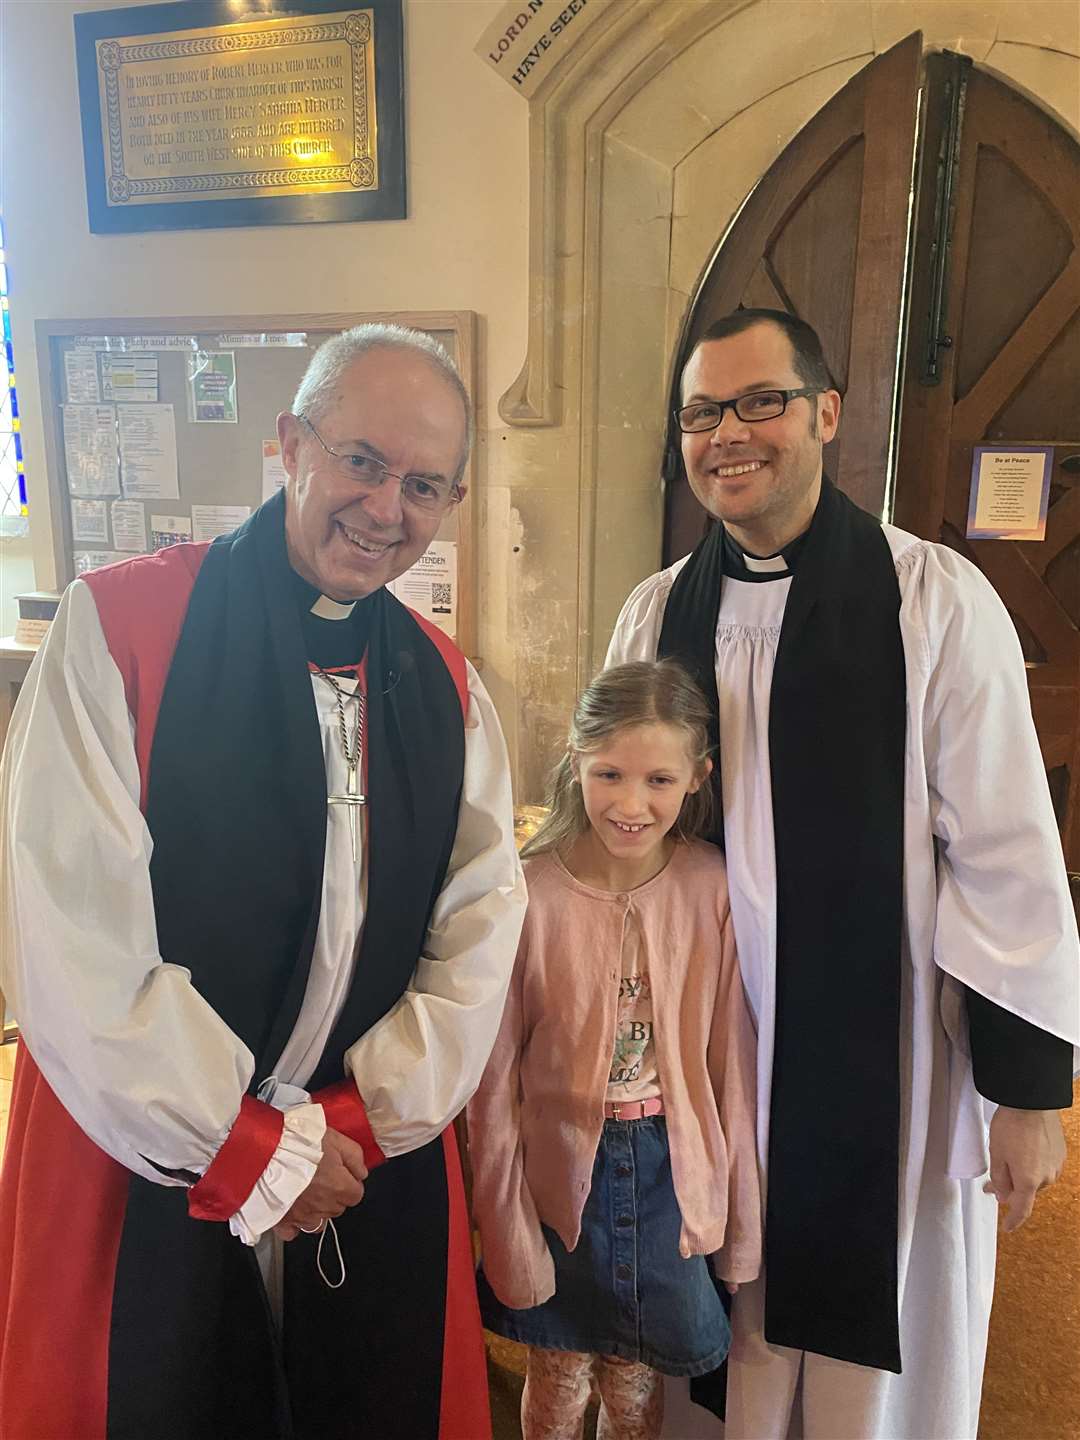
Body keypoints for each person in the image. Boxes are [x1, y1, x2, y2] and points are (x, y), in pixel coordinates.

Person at [0, 323, 527, 1440]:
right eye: (363, 462)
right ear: (290, 445)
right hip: (150, 1149)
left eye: (425, 484)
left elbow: (479, 934)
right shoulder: (123, 628)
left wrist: (354, 1122)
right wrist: (243, 1144)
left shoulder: (444, 685)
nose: (388, 508)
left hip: (356, 1158)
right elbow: (68, 932)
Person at [606, 308, 1079, 1440]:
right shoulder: (657, 611)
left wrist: (1027, 1089)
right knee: (717, 1301)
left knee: (880, 1350)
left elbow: (1007, 850)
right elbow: (615, 821)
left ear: (824, 412)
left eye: (760, 401)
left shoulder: (932, 603)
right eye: (703, 412)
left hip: (889, 1050)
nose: (730, 434)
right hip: (712, 1039)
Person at [468, 660, 761, 1440]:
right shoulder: (528, 895)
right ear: (576, 761)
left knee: (634, 1375)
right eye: (610, 774)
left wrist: (743, 1222)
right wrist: (502, 1225)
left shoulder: (713, 889)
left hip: (670, 1172)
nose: (632, 805)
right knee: (560, 1369)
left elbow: (733, 1067)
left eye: (659, 779)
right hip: (560, 1172)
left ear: (697, 776)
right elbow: (492, 1082)